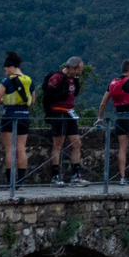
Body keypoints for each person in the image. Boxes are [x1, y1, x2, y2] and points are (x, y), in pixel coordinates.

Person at [97, 59, 129, 185]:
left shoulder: (113, 83)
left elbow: (104, 102)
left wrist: (100, 117)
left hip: (119, 117)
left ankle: (122, 177)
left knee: (122, 148)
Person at [43, 56, 86, 187]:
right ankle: (55, 176)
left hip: (69, 113)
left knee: (76, 143)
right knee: (58, 144)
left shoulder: (74, 80)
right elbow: (48, 95)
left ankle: (76, 175)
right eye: (79, 70)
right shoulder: (57, 78)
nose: (80, 73)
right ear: (73, 68)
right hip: (58, 112)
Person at [0, 52, 34, 186]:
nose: (5, 71)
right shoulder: (28, 80)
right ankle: (21, 181)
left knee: (10, 149)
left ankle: (10, 181)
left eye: (6, 69)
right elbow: (33, 99)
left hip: (9, 115)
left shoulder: (7, 81)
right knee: (21, 148)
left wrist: (6, 100)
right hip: (24, 115)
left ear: (11, 67)